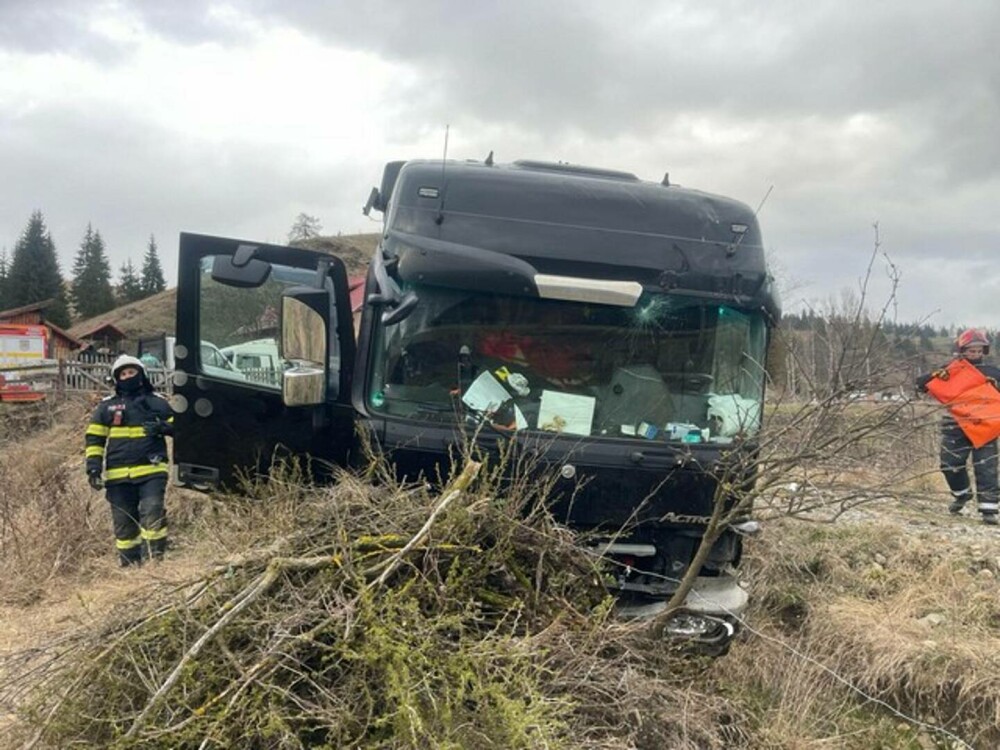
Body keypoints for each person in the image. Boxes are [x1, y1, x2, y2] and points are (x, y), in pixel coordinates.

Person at [85, 354, 174, 565]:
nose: (127, 376)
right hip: (117, 475)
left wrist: (165, 428)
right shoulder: (106, 407)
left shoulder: (158, 403)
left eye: (131, 372)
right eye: (123, 374)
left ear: (141, 375)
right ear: (117, 379)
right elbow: (94, 438)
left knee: (151, 512)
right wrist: (93, 468)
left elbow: (184, 429)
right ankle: (129, 567)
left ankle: (155, 562)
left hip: (151, 470)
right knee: (124, 524)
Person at [916, 328, 1000, 525]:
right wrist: (934, 377)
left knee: (986, 468)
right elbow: (921, 384)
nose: (976, 354)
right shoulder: (950, 370)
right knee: (949, 465)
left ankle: (989, 510)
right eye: (971, 350)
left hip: (985, 427)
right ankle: (962, 495)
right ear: (962, 350)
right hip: (955, 425)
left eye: (979, 351)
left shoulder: (993, 372)